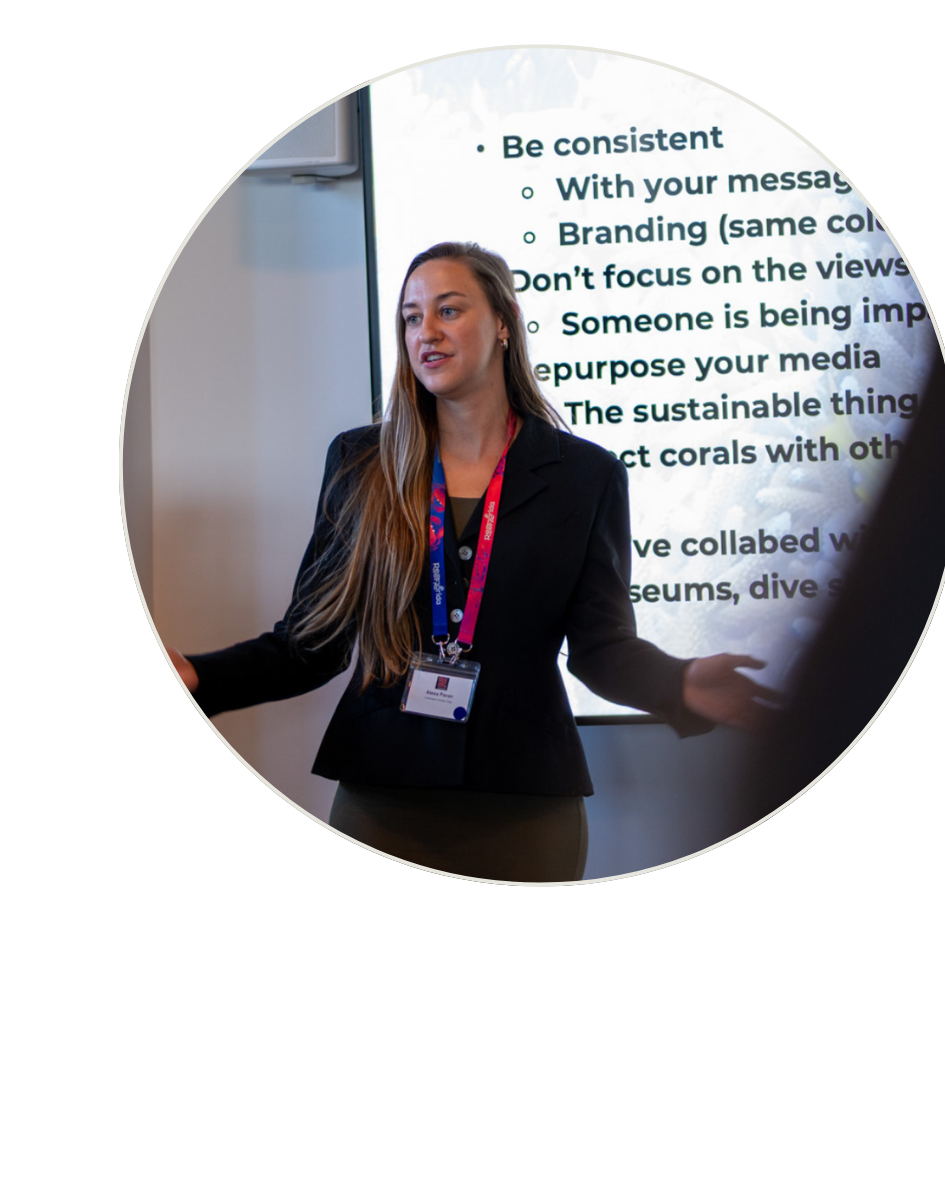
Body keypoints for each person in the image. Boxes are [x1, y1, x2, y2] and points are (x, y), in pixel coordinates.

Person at [168, 242, 775, 882]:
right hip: (382, 796)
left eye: (448, 310)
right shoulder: (360, 465)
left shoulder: (585, 477)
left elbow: (601, 649)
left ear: (504, 322)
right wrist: (201, 677)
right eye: (409, 317)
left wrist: (677, 683)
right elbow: (310, 645)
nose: (425, 332)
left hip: (524, 804)